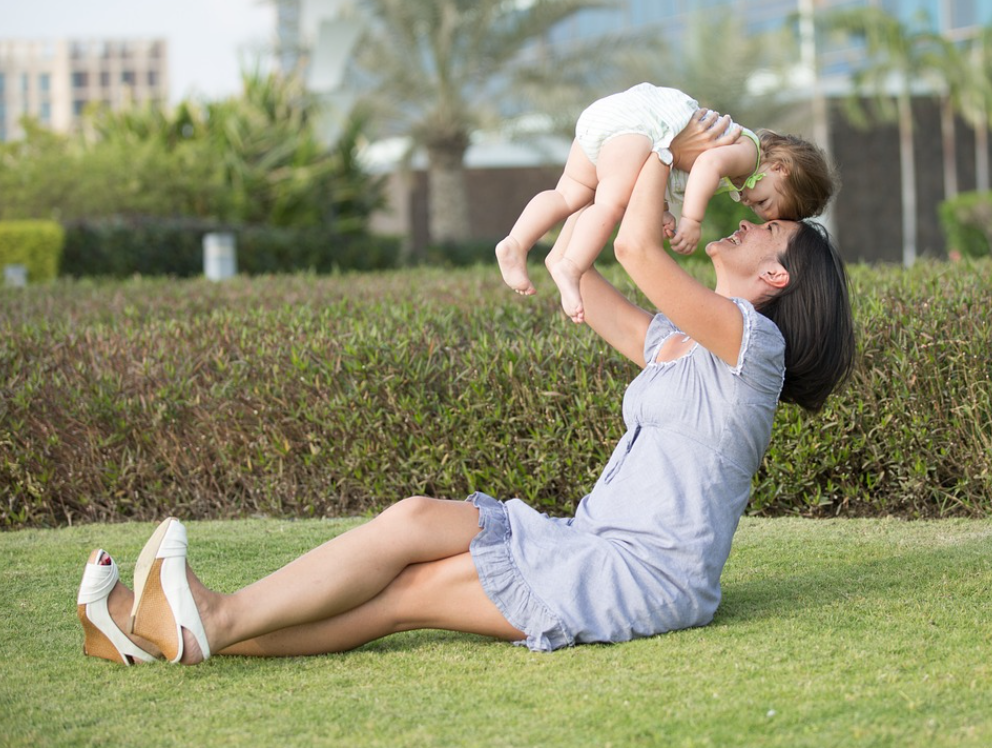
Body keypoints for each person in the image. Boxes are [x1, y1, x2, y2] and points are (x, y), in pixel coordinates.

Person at [74, 109, 856, 665]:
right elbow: (587, 271)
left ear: (775, 275)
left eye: (769, 229)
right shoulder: (683, 342)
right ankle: (151, 628)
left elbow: (637, 249)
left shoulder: (754, 344)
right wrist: (585, 189)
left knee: (413, 592)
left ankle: (205, 620)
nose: (750, 220)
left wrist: (660, 130)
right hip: (584, 536)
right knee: (414, 521)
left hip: (642, 575)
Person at [495, 82, 835, 322]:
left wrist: (661, 210)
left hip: (613, 119)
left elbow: (669, 167)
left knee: (570, 194)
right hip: (642, 126)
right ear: (780, 168)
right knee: (611, 204)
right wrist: (690, 219)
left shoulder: (740, 167)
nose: (751, 208)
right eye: (764, 203)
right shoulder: (748, 154)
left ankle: (515, 242)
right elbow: (703, 163)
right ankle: (571, 265)